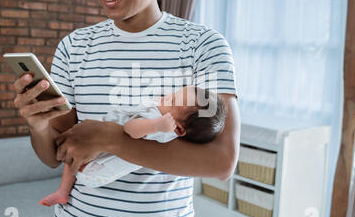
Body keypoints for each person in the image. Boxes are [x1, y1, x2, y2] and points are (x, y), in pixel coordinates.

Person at [12, 0, 240, 217]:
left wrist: (110, 137)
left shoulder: (203, 45)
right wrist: (38, 125)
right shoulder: (74, 48)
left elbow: (221, 162)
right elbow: (56, 155)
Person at [39, 86, 226, 206]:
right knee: (74, 152)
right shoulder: (162, 117)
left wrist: (156, 125)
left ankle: (63, 190)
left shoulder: (161, 128)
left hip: (98, 168)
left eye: (173, 100)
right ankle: (63, 192)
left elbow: (131, 129)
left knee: (74, 159)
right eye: (175, 93)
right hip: (100, 152)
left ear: (178, 128)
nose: (167, 96)